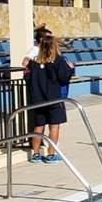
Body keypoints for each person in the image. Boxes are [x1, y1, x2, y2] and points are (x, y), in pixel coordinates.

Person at [24, 34, 74, 163]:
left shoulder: (34, 62)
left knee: (38, 126)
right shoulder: (58, 60)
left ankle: (35, 154)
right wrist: (71, 69)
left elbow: (27, 78)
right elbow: (63, 77)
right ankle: (51, 154)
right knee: (54, 126)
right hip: (53, 98)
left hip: (37, 99)